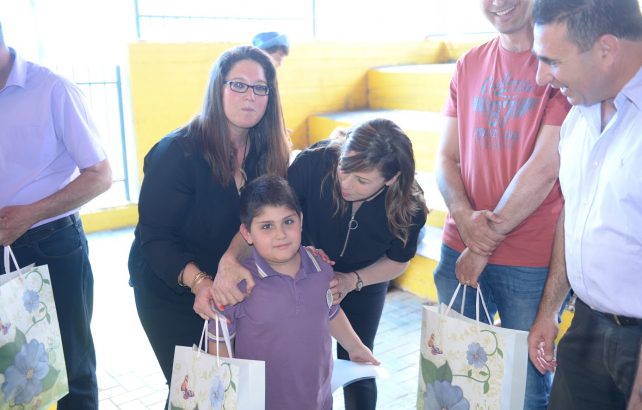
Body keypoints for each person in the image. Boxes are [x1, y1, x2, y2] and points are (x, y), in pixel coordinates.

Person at [213, 118, 428, 410]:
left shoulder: (409, 206)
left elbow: (398, 261)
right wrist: (229, 260)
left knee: (361, 362)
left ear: (391, 179)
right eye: (344, 169)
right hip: (310, 271)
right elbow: (267, 214)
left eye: (362, 180)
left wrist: (353, 280)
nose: (346, 184)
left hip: (366, 280)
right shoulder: (313, 163)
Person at [432, 1, 571, 409]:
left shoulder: (558, 64)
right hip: (458, 249)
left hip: (529, 259)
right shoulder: (469, 64)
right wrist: (462, 217)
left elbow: (544, 169)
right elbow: (445, 158)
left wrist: (481, 244)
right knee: (457, 383)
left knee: (526, 390)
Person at [127, 45, 291, 390]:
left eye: (260, 88)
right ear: (218, 88)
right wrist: (200, 282)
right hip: (171, 287)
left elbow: (257, 222)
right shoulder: (177, 152)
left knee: (229, 387)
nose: (250, 96)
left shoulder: (267, 150)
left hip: (229, 284)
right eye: (238, 85)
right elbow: (156, 239)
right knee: (193, 389)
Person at [528, 0, 642, 408]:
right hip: (587, 326)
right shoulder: (578, 115)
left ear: (606, 49)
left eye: (553, 61)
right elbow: (574, 215)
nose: (541, 77)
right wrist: (550, 310)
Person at [0, 21, 112, 409]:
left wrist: (30, 214)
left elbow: (100, 176)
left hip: (48, 246)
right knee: (9, 371)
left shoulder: (52, 89)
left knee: (68, 368)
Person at [207, 175, 379, 410]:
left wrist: (355, 347)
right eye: (267, 226)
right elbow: (218, 340)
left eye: (288, 222)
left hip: (317, 399)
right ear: (247, 234)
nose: (280, 234)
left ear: (301, 220)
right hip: (260, 403)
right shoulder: (238, 284)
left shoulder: (321, 268)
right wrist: (228, 399)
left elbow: (330, 312)